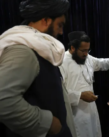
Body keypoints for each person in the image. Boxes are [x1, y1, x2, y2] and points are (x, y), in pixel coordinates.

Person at [0, 0, 76, 137]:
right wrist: (49, 123)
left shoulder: (36, 47)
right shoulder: (23, 51)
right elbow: (3, 100)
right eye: (60, 25)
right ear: (46, 20)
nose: (61, 31)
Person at [59, 31, 109, 137]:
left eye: (88, 50)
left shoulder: (87, 58)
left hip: (91, 112)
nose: (86, 53)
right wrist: (80, 95)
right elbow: (59, 92)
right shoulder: (62, 62)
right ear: (73, 48)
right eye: (83, 50)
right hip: (75, 114)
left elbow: (101, 64)